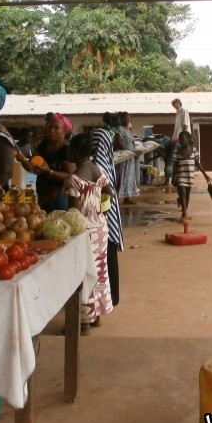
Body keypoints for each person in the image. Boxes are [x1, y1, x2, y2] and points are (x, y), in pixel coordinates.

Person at [64, 133, 113, 332]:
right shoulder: (98, 170)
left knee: (82, 274)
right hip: (101, 228)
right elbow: (109, 192)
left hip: (84, 233)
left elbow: (74, 212)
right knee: (99, 271)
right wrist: (100, 208)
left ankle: (83, 322)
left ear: (74, 152)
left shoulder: (74, 179)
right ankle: (97, 316)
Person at [91, 113, 124, 306]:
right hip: (111, 214)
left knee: (105, 258)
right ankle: (114, 295)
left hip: (103, 214)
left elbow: (107, 192)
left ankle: (110, 297)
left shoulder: (97, 164)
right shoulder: (107, 160)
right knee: (110, 257)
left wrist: (99, 213)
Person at [23, 113, 75, 212]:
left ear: (65, 131)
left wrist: (48, 171)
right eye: (50, 127)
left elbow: (70, 177)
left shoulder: (66, 149)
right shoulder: (43, 145)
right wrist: (22, 159)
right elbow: (32, 164)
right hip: (40, 193)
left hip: (58, 196)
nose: (52, 130)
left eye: (56, 128)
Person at [173, 131, 211, 223]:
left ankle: (184, 213)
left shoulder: (194, 150)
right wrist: (174, 176)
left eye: (182, 139)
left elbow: (198, 164)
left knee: (187, 195)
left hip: (189, 176)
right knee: (182, 192)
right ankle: (185, 213)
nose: (181, 141)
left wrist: (205, 175)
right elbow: (175, 165)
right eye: (180, 139)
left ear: (188, 139)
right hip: (180, 175)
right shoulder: (177, 151)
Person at [164, 98, 191, 187]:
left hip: (182, 139)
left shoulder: (184, 111)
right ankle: (168, 178)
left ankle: (169, 179)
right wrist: (173, 138)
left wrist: (181, 138)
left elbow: (185, 125)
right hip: (176, 138)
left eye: (176, 104)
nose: (175, 106)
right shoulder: (178, 113)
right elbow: (177, 128)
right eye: (173, 104)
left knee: (171, 158)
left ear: (179, 103)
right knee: (167, 154)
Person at [115, 111, 140, 204]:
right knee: (122, 176)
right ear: (121, 119)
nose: (128, 120)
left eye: (129, 118)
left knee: (129, 177)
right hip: (124, 157)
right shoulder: (119, 129)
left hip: (130, 157)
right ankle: (116, 199)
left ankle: (127, 198)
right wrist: (129, 151)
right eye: (126, 118)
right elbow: (119, 143)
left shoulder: (128, 130)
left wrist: (133, 152)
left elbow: (132, 142)